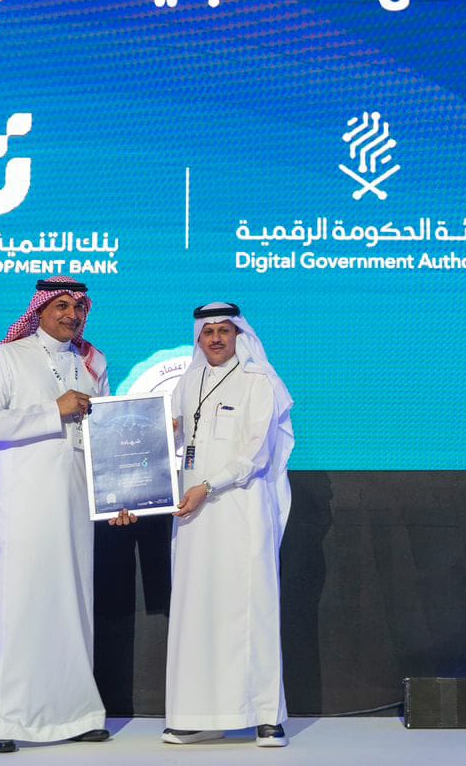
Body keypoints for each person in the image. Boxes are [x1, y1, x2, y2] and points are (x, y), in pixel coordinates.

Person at [0, 278, 113, 754]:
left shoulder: (93, 363)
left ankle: (75, 714)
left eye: (79, 307)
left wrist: (121, 491)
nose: (71, 315)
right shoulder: (5, 357)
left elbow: (105, 436)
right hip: (20, 505)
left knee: (69, 604)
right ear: (40, 310)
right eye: (61, 305)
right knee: (14, 607)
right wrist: (54, 410)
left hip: (73, 504)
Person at [162, 302, 295, 748]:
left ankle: (265, 717)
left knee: (249, 609)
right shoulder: (188, 381)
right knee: (197, 610)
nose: (216, 338)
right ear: (198, 338)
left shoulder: (258, 382)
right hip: (194, 516)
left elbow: (256, 453)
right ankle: (197, 715)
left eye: (224, 330)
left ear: (239, 335)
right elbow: (175, 437)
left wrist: (208, 485)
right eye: (208, 332)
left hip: (241, 509)